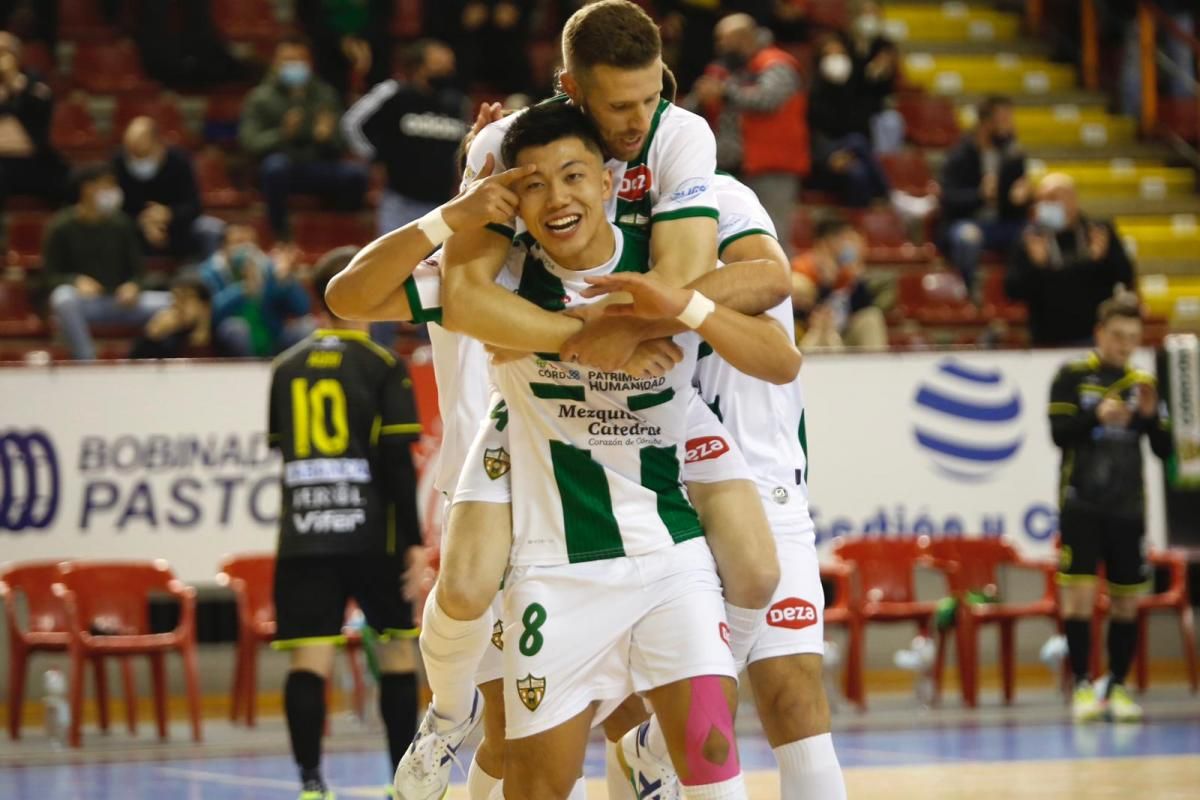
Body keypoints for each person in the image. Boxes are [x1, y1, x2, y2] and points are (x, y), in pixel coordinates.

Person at [268, 248, 424, 800]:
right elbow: (397, 465)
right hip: (372, 535)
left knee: (310, 659)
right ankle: (401, 784)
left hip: (304, 536)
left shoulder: (284, 368)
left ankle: (312, 785)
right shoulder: (382, 366)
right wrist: (413, 544)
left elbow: (287, 455)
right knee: (399, 652)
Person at [1049, 296, 1173, 724]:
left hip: (1128, 509)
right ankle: (1082, 685)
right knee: (1078, 601)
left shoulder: (1143, 383)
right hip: (1081, 505)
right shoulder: (1072, 377)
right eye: (1118, 337)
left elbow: (1164, 449)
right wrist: (1096, 416)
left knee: (1126, 604)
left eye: (1133, 339)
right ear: (1100, 333)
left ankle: (1117, 685)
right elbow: (1058, 433)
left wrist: (1152, 416)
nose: (1125, 346)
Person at [686, 13, 808, 257]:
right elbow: (692, 108)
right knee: (730, 237)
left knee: (772, 236)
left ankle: (779, 293)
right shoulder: (727, 70)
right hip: (734, 166)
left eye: (724, 40)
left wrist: (724, 92)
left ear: (744, 38)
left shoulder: (776, 64)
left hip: (772, 167)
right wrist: (702, 96)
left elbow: (768, 99)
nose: (720, 47)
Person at [239, 36, 368, 241]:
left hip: (317, 166)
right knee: (275, 168)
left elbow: (342, 144)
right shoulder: (260, 98)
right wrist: (282, 134)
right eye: (288, 61)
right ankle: (280, 235)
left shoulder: (325, 95)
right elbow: (250, 143)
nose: (294, 66)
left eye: (300, 60)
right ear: (276, 64)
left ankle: (338, 234)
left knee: (356, 175)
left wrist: (326, 137)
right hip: (284, 168)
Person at [44, 163, 171, 360]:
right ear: (87, 189)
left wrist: (133, 286)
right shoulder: (61, 226)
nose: (113, 192)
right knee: (62, 298)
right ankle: (87, 362)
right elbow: (49, 277)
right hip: (86, 304)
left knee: (172, 303)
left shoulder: (121, 223)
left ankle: (142, 356)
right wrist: (74, 281)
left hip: (121, 302)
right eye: (107, 186)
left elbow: (139, 272)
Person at [343, 39, 469, 237]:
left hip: (441, 203)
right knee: (394, 264)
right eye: (439, 63)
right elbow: (352, 124)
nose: (447, 69)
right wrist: (374, 157)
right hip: (400, 201)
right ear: (419, 65)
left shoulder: (458, 103)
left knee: (436, 267)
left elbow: (463, 148)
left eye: (449, 64)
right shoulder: (394, 93)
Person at [807, 34, 933, 218]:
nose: (835, 58)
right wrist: (829, 156)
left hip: (853, 154)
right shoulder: (814, 93)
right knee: (857, 142)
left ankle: (862, 223)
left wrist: (877, 77)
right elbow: (811, 133)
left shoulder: (854, 87)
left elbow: (867, 112)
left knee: (858, 174)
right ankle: (892, 198)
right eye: (829, 54)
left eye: (839, 52)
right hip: (824, 161)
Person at [1006, 173, 1136, 347]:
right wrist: (1037, 267)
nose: (1045, 205)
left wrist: (1100, 260)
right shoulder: (1030, 238)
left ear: (1073, 199)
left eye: (1052, 198)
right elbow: (1013, 290)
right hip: (1047, 339)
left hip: (1095, 338)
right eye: (1041, 200)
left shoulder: (1098, 231)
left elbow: (1125, 276)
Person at [939, 95, 1031, 297]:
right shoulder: (960, 155)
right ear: (986, 122)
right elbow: (948, 199)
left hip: (1003, 223)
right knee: (968, 238)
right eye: (1004, 120)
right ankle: (969, 293)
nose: (1009, 126)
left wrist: (1023, 197)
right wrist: (980, 196)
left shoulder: (1013, 155)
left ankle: (1020, 294)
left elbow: (1018, 205)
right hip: (967, 221)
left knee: (1034, 235)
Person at [113, 116, 224, 260]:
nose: (135, 158)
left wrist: (169, 214)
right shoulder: (117, 163)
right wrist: (143, 221)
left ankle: (208, 277)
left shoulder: (178, 161)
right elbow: (115, 210)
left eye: (141, 152)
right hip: (134, 229)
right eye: (131, 153)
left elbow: (194, 205)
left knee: (211, 228)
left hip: (178, 226)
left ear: (156, 143)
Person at [791, 216, 887, 350]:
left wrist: (857, 278)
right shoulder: (802, 268)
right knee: (822, 329)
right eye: (844, 239)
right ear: (827, 241)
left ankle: (877, 367)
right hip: (810, 334)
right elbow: (800, 313)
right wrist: (825, 285)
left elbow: (865, 306)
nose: (849, 245)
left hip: (841, 334)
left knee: (871, 318)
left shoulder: (846, 270)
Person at [0, 31, 67, 213]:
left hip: (31, 160)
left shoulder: (33, 82)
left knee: (65, 177)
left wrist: (14, 84)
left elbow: (43, 107)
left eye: (4, 53)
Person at [210, 242, 315, 357]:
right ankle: (247, 369)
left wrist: (287, 282)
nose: (250, 272)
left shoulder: (271, 285)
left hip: (275, 343)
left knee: (306, 326)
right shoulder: (228, 285)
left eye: (253, 267)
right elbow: (214, 313)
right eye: (244, 269)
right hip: (243, 350)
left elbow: (303, 309)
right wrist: (241, 291)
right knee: (236, 327)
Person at [295, 0, 394, 100]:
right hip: (326, 44)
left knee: (380, 84)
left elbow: (384, 12)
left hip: (374, 42)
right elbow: (308, 15)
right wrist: (341, 42)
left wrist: (364, 41)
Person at [129, 272, 212, 359]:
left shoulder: (221, 331)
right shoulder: (168, 335)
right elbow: (134, 363)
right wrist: (152, 337)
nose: (178, 304)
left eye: (186, 297)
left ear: (204, 305)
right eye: (175, 297)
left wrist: (203, 328)